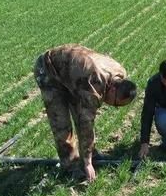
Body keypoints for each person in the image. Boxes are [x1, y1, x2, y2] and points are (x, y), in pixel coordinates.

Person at [33, 44, 136, 181]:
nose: (113, 106)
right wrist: (87, 163)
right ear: (112, 90)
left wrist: (88, 153)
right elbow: (85, 123)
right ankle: (70, 166)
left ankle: (90, 153)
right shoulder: (95, 84)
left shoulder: (119, 72)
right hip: (48, 70)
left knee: (78, 109)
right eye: (116, 103)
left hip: (74, 73)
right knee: (61, 122)